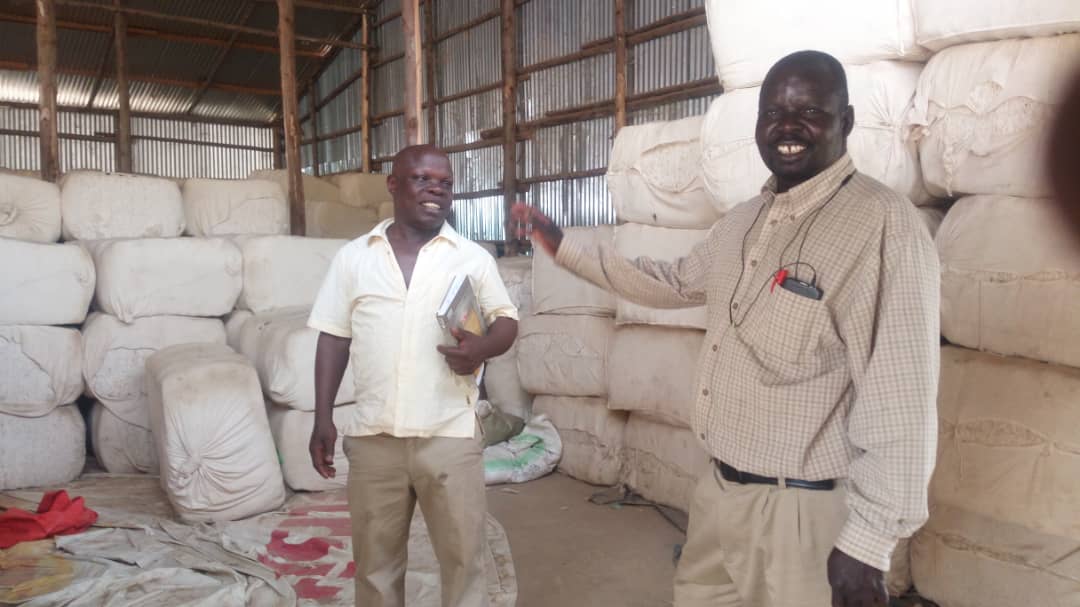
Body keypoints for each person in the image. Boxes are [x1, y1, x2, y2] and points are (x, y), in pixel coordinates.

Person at [513, 50, 939, 607]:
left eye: (810, 111)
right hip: (717, 493)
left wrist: (869, 541)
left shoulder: (882, 226)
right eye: (773, 113)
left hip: (801, 515)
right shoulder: (743, 222)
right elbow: (669, 282)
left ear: (847, 122)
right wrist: (563, 246)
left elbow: (900, 399)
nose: (787, 127)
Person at [307, 144, 519, 607]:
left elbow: (506, 320)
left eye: (445, 184)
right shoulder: (354, 258)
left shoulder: (471, 257)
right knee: (376, 569)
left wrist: (481, 348)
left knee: (465, 562)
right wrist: (322, 417)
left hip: (450, 436)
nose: (436, 191)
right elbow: (333, 338)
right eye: (423, 179)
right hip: (374, 439)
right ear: (394, 184)